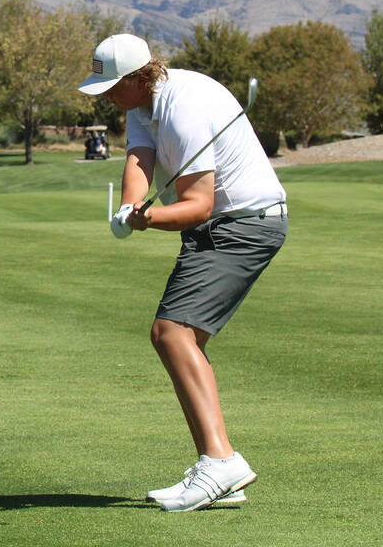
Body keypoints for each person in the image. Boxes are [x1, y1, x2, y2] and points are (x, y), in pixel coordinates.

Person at [77, 33, 288, 512]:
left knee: (171, 333)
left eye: (112, 86)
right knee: (178, 339)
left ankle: (220, 463)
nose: (107, 96)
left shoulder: (183, 108)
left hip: (242, 225)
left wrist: (145, 220)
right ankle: (220, 468)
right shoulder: (142, 104)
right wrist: (132, 204)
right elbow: (139, 158)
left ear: (137, 76)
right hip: (225, 226)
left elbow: (198, 205)